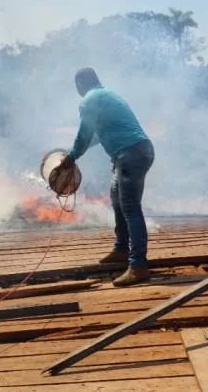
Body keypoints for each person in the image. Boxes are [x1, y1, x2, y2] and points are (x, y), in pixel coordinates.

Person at [55, 68, 155, 287]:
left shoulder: (89, 100)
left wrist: (71, 157)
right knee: (117, 199)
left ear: (80, 83)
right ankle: (121, 249)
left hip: (130, 154)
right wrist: (74, 153)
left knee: (130, 207)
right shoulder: (107, 95)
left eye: (76, 85)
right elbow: (95, 138)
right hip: (139, 151)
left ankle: (138, 265)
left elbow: (83, 134)